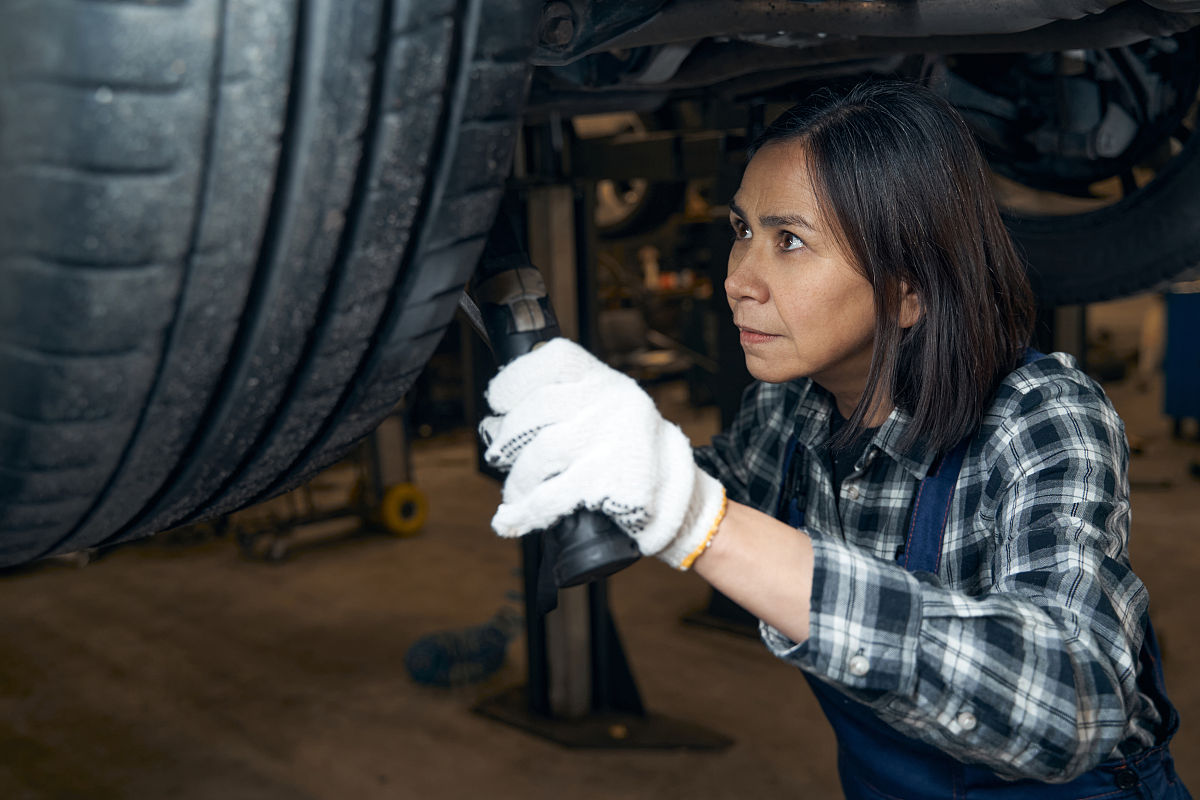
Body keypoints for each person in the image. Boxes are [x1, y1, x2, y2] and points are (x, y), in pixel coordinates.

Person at [478, 80, 1190, 798]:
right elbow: (699, 483)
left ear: (908, 287)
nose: (736, 279)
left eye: (789, 241)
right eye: (741, 230)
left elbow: (1073, 703)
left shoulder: (1042, 417)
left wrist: (702, 523)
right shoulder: (793, 410)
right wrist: (593, 456)